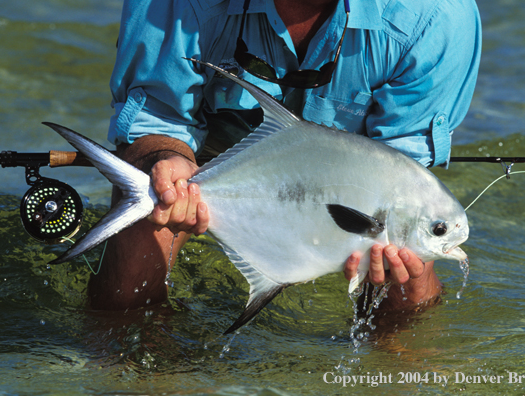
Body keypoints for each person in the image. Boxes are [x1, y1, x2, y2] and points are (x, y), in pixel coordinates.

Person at [88, 0, 481, 314]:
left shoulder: (435, 15)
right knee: (145, 235)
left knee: (408, 281)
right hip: (201, 151)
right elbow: (158, 117)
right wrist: (165, 159)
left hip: (358, 179)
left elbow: (402, 172)